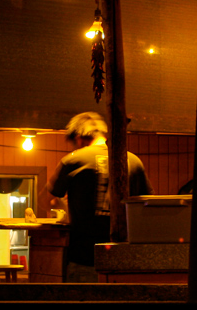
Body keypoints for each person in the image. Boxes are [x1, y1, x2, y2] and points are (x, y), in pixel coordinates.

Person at [47, 112, 153, 282]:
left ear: (79, 137)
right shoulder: (133, 161)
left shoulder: (72, 161)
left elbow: (48, 199)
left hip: (83, 256)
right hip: (124, 258)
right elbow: (147, 205)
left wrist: (64, 212)